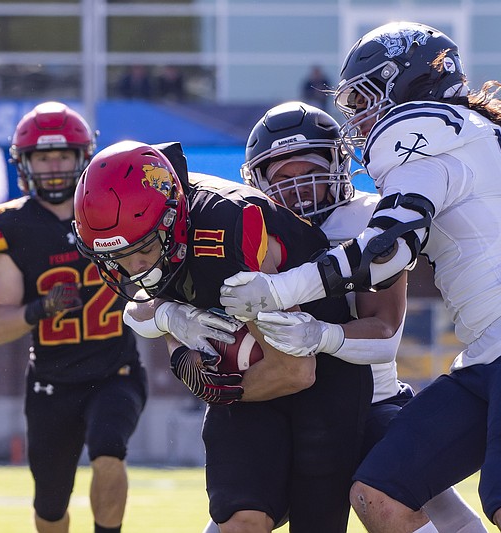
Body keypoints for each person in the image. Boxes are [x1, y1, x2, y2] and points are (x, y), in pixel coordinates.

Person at [219, 22, 501, 533]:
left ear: (406, 81)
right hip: (491, 347)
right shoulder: (462, 132)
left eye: (363, 99)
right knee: (379, 494)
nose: (358, 118)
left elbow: (384, 249)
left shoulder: (430, 128)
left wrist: (278, 291)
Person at [201, 100, 487, 533]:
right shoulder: (245, 227)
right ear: (258, 182)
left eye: (308, 173)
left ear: (338, 167)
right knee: (243, 510)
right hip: (280, 399)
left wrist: (319, 335)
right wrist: (166, 317)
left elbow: (385, 334)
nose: (297, 189)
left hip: (370, 399)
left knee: (405, 499)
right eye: (283, 177)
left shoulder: (369, 220)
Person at [72, 140, 373, 533]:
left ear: (173, 219)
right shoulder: (149, 218)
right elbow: (145, 307)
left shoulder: (229, 228)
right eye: (119, 258)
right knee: (239, 522)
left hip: (324, 378)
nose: (135, 267)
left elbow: (296, 371)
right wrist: (170, 317)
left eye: (144, 248)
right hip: (254, 381)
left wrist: (216, 389)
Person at [0, 102, 147, 533]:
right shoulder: (10, 226)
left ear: (82, 158)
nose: (53, 166)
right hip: (51, 380)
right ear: (25, 162)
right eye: (42, 156)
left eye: (62, 155)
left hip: (115, 369)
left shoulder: (114, 207)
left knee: (109, 449)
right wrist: (41, 309)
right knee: (50, 507)